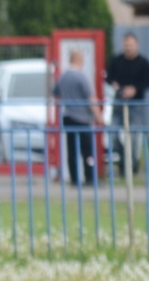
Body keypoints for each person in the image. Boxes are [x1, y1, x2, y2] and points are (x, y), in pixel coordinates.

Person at [53, 50, 104, 186]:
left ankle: (74, 179)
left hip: (68, 116)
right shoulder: (81, 77)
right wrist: (99, 117)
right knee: (87, 150)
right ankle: (90, 178)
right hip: (82, 118)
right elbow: (91, 98)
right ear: (79, 60)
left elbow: (56, 94)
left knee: (72, 150)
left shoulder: (63, 77)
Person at [106, 33, 149, 176]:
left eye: (131, 45)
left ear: (136, 45)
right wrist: (115, 85)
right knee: (113, 133)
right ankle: (122, 161)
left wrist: (135, 89)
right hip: (119, 102)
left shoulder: (143, 62)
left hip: (136, 104)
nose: (128, 47)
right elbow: (109, 78)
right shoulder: (117, 61)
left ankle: (132, 166)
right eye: (126, 44)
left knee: (133, 136)